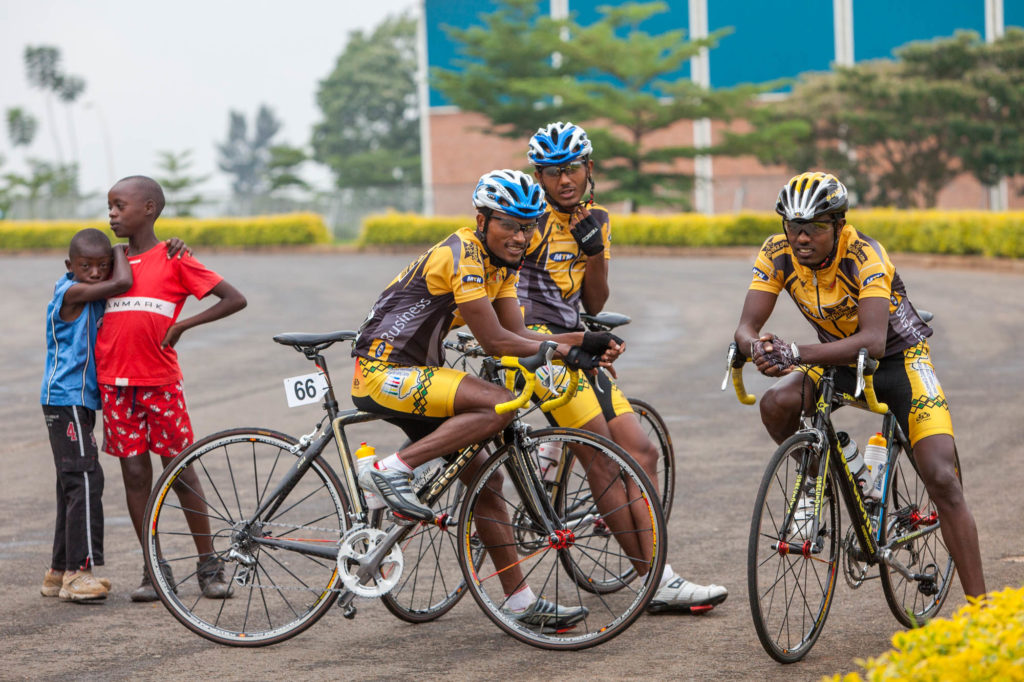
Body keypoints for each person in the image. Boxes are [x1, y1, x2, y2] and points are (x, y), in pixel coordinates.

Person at [352, 169, 625, 630]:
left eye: (529, 225)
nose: (521, 236)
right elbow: (496, 340)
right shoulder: (464, 255)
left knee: (485, 480)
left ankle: (519, 602)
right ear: (482, 221)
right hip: (383, 373)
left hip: (421, 375)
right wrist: (566, 348)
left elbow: (519, 333)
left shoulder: (500, 264)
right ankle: (388, 470)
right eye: (510, 225)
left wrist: (584, 338)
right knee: (498, 403)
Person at [732, 170, 985, 600]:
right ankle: (820, 482)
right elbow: (745, 326)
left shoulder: (864, 254)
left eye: (813, 227)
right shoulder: (776, 253)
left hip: (900, 361)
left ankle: (983, 613)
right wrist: (756, 347)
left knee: (942, 478)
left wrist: (793, 352)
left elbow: (873, 340)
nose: (801, 238)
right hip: (840, 363)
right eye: (793, 227)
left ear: (838, 224)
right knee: (777, 403)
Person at [518, 121, 728, 614]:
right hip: (538, 350)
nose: (563, 180)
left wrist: (593, 252)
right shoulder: (528, 219)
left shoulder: (599, 219)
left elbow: (595, 298)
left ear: (589, 169)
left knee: (643, 451)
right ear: (538, 177)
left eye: (571, 169)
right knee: (606, 459)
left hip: (576, 344)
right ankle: (656, 580)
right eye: (551, 173)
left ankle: (643, 553)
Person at [96, 175, 247, 602]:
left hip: (159, 384)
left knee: (181, 472)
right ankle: (154, 570)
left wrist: (183, 324)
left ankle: (209, 565)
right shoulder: (110, 261)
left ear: (148, 209)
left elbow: (234, 299)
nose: (111, 214)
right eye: (109, 206)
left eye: (119, 206)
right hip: (115, 386)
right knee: (135, 474)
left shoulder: (175, 258)